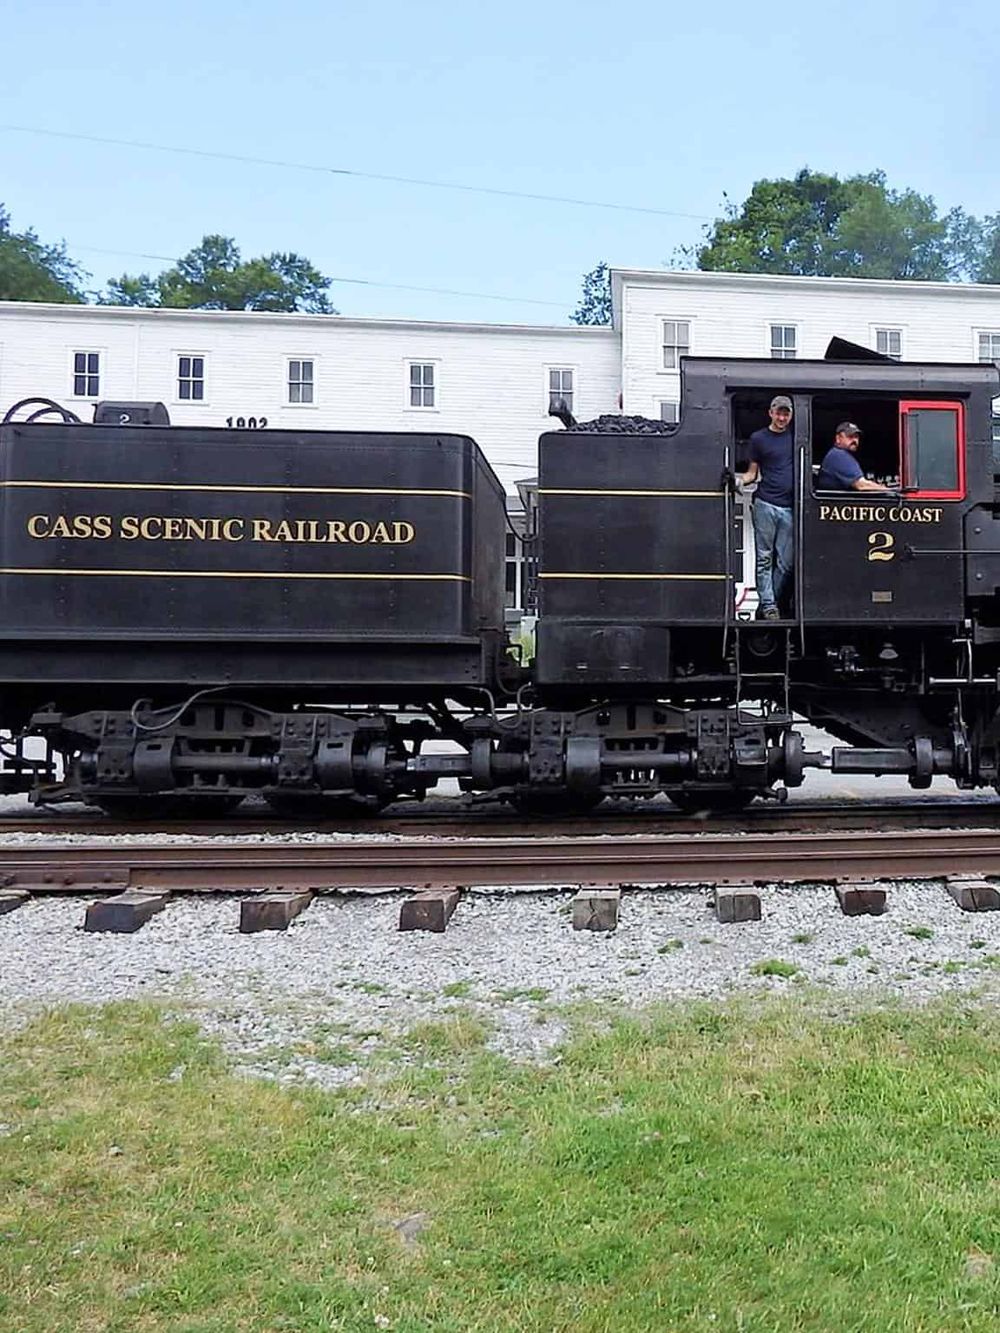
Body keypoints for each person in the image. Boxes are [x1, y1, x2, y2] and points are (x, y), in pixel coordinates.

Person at [736, 395, 794, 621]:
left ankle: (769, 603)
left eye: (786, 413)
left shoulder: (795, 437)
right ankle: (770, 606)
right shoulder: (758, 439)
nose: (782, 417)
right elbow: (752, 472)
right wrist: (740, 481)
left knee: (785, 562)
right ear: (770, 412)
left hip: (789, 506)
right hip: (765, 502)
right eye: (778, 412)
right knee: (764, 557)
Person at [816, 422, 894, 492]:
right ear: (838, 438)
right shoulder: (838, 455)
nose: (854, 440)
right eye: (850, 436)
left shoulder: (844, 455)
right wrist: (891, 491)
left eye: (856, 437)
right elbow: (862, 485)